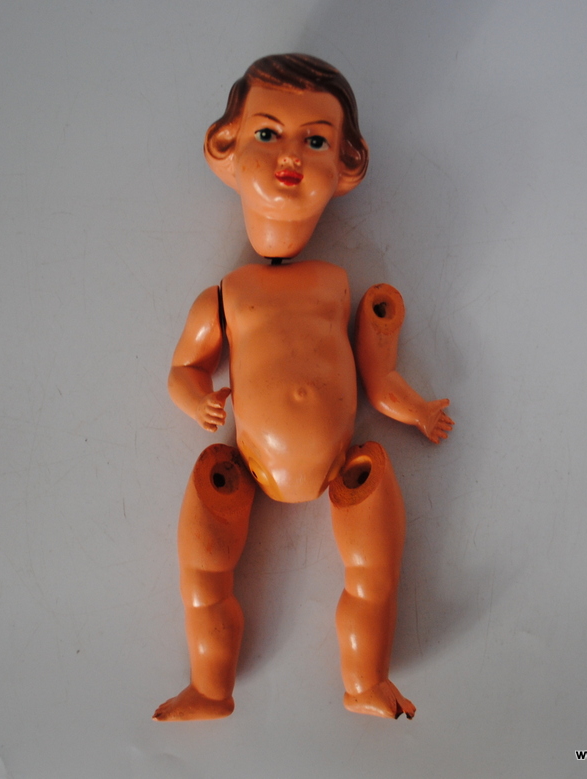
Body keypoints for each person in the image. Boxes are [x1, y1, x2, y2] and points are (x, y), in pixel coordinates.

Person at [153, 54, 453, 721]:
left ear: (345, 166)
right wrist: (196, 399)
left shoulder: (335, 286)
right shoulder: (224, 296)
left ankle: (365, 682)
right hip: (243, 461)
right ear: (226, 147)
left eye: (315, 141)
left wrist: (415, 410)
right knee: (204, 575)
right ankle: (210, 688)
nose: (290, 154)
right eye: (267, 133)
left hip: (343, 463)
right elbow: (182, 369)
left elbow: (377, 378)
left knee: (374, 575)